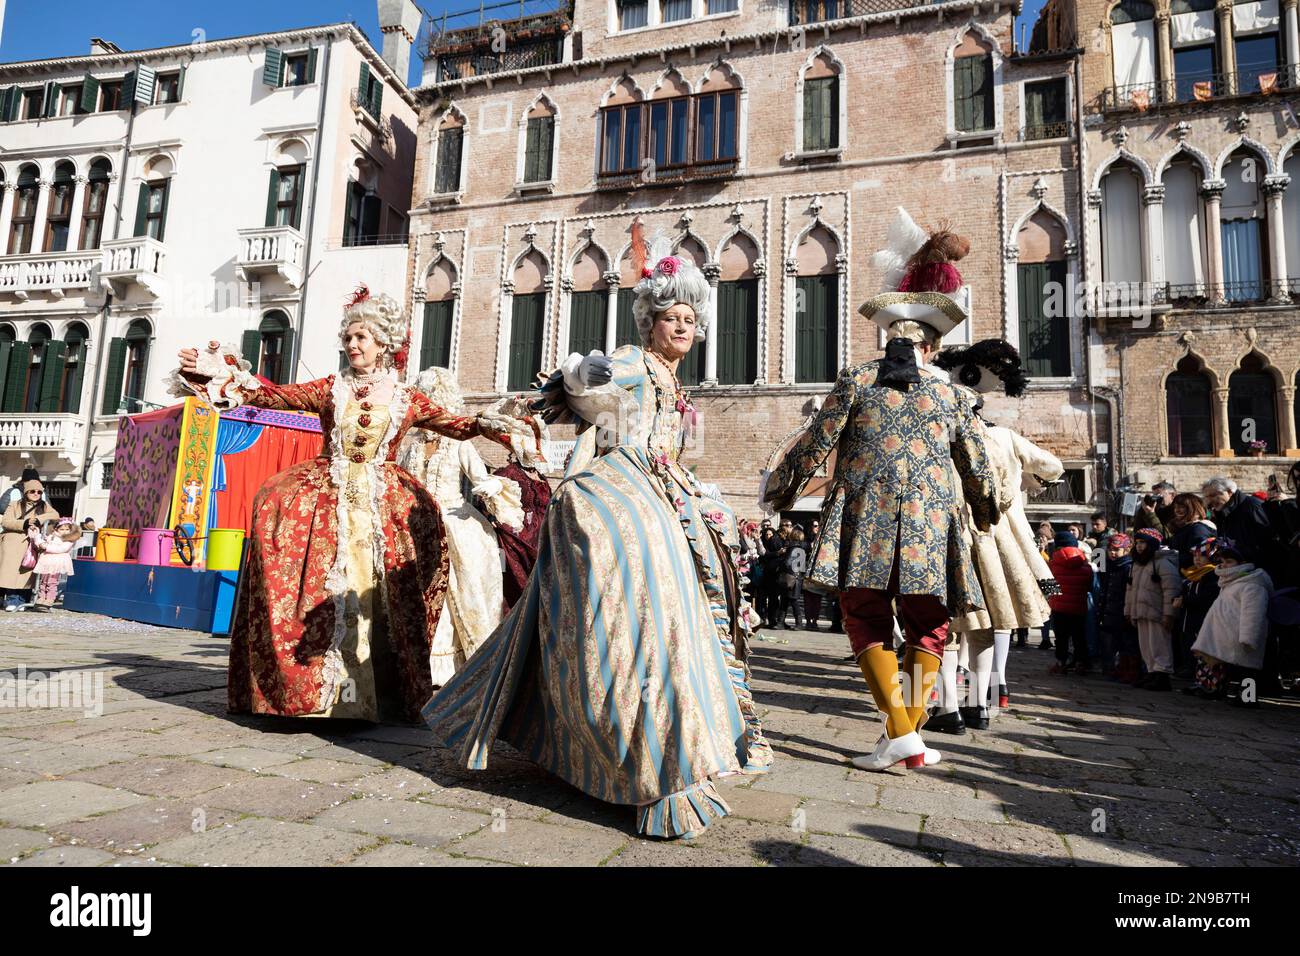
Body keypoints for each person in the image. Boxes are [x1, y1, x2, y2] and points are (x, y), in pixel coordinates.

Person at [423, 239, 772, 839]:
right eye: (672, 317)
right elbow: (585, 382)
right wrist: (589, 373)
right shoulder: (635, 360)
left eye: (691, 319)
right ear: (652, 321)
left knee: (685, 615)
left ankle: (689, 737)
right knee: (638, 619)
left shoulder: (676, 384)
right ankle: (649, 757)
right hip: (619, 493)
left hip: (666, 496)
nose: (683, 327)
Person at [170, 287, 540, 722]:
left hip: (385, 504)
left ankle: (376, 696)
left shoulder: (405, 398)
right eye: (348, 338)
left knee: (385, 593)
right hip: (328, 498)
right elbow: (275, 396)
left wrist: (501, 423)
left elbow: (457, 425)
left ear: (383, 343)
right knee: (308, 565)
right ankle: (320, 695)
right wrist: (220, 373)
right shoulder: (331, 388)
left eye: (361, 337)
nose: (352, 345)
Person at [762, 209, 997, 771]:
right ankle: (905, 735)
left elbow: (816, 443)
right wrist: (988, 511)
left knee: (863, 615)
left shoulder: (856, 380)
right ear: (933, 345)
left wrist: (784, 489)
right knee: (929, 623)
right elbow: (980, 470)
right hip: (931, 527)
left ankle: (901, 733)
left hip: (863, 520)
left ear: (889, 332)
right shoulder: (954, 398)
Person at [932, 338, 1062, 727]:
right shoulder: (1005, 438)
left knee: (949, 628)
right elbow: (1053, 466)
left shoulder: (942, 438)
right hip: (997, 542)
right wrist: (1029, 481)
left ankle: (948, 709)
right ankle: (981, 706)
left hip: (953, 538)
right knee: (987, 628)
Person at [399, 367, 526, 686]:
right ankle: (421, 668)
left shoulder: (457, 443)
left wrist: (497, 493)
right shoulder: (411, 447)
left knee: (456, 594)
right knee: (418, 595)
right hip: (418, 525)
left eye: (429, 401)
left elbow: (479, 478)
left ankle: (455, 670)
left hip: (456, 524)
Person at [1189, 538, 1272, 706]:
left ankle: (1249, 698)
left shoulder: (1252, 584)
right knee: (1236, 668)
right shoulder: (1231, 580)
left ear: (1243, 563)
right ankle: (1229, 692)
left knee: (1248, 670)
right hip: (1229, 634)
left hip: (1243, 636)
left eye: (1229, 561)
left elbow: (1253, 614)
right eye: (1222, 561)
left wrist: (1249, 637)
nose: (1224, 565)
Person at [492, 449, 552, 612]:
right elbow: (488, 498)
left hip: (542, 537)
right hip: (517, 538)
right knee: (520, 585)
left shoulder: (540, 475)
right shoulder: (508, 473)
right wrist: (495, 519)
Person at [1123, 528, 1180, 691]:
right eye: (1138, 543)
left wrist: (1169, 614)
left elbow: (1171, 589)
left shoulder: (1162, 563)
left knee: (1159, 644)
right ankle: (1151, 672)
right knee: (1146, 645)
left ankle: (1162, 675)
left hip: (1157, 612)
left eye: (1144, 543)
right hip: (1140, 611)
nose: (1140, 546)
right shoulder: (1137, 564)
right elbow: (1130, 589)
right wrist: (1128, 610)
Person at [1201, 477, 1278, 583]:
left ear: (1229, 492)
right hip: (1239, 572)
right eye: (1207, 497)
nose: (1209, 501)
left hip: (1258, 574)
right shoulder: (1223, 513)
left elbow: (1268, 543)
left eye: (1213, 495)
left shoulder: (1252, 507)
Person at [1, 477, 59, 611]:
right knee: (11, 573)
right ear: (26, 492)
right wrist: (25, 523)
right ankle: (12, 600)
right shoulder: (14, 504)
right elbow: (6, 522)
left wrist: (38, 519)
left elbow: (55, 514)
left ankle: (22, 600)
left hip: (31, 543)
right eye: (32, 491)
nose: (36, 494)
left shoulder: (43, 506)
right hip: (13, 542)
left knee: (27, 573)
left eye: (39, 492)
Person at [1177, 538, 1221, 693]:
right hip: (1188, 620)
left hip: (1202, 620)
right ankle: (1198, 681)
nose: (1197, 559)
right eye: (1195, 556)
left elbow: (1206, 598)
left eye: (1201, 556)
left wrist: (1184, 601)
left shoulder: (1212, 575)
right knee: (1193, 653)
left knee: (1204, 655)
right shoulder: (1192, 575)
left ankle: (1208, 684)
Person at [1047, 530, 1094, 675]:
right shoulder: (1086, 565)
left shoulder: (1053, 564)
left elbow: (1048, 588)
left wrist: (1053, 599)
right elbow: (1090, 587)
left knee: (1061, 638)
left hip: (1059, 608)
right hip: (1079, 607)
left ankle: (1061, 663)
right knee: (1079, 637)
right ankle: (1081, 663)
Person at [1097, 534, 1140, 681]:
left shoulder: (1129, 567)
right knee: (1109, 643)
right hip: (1108, 611)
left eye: (1116, 549)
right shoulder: (1107, 566)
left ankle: (1127, 670)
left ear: (1126, 550)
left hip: (1123, 611)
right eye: (1110, 549)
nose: (1112, 553)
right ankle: (1111, 669)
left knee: (1126, 644)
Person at [29, 518, 81, 611]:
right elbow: (42, 543)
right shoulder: (51, 536)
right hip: (47, 561)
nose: (64, 532)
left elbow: (60, 549)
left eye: (67, 529)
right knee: (44, 580)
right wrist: (38, 538)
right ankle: (41, 597)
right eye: (62, 529)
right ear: (57, 529)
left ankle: (49, 599)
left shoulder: (69, 540)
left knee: (52, 581)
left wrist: (46, 547)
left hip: (57, 561)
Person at [781, 528, 807, 630]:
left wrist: (780, 566)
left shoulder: (791, 548)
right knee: (790, 600)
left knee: (791, 601)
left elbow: (787, 563)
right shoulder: (802, 548)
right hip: (798, 577)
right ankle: (782, 622)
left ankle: (798, 624)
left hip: (790, 577)